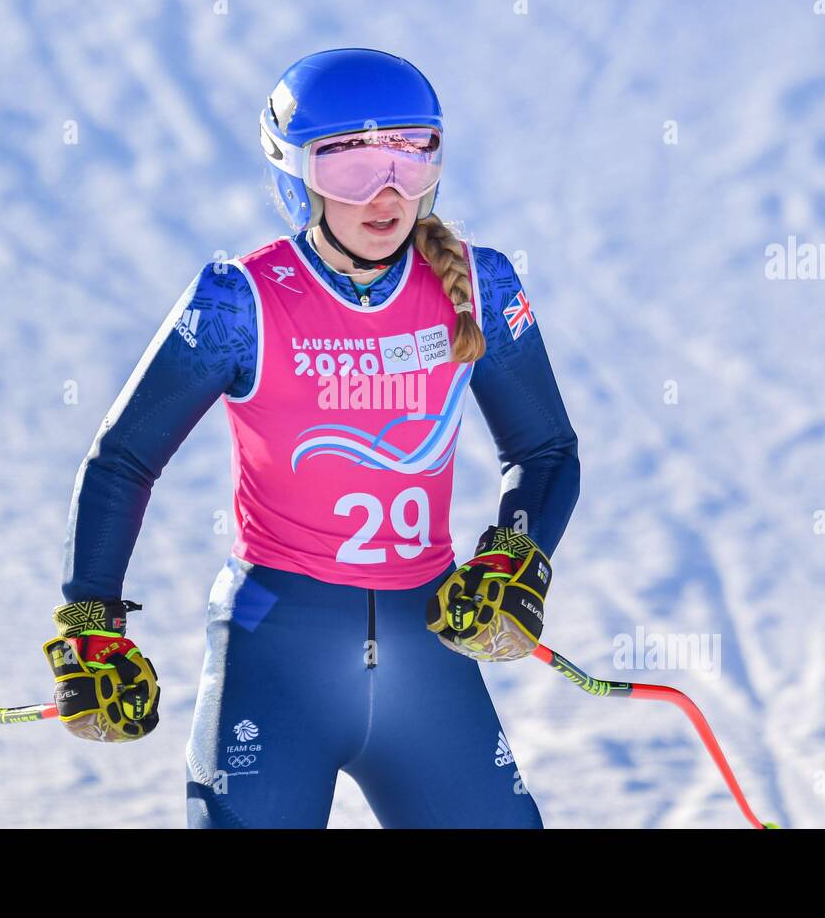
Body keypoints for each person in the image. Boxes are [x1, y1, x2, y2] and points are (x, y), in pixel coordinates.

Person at [40, 47, 580, 828]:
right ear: (294, 175)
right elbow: (124, 459)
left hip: (424, 653)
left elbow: (545, 450)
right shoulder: (239, 303)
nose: (386, 190)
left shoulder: (479, 283)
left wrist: (515, 555)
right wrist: (92, 624)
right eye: (349, 165)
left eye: (408, 153)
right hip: (276, 654)